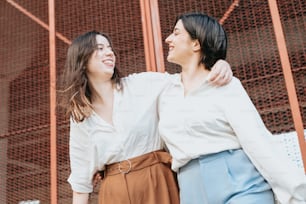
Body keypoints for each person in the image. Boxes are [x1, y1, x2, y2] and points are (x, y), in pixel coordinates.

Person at [58, 30, 233, 204]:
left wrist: (217, 65)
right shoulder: (81, 115)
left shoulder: (141, 85)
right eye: (100, 48)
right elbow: (81, 182)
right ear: (82, 60)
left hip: (157, 181)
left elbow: (186, 80)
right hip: (113, 193)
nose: (109, 52)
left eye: (110, 48)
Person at [158, 12, 306, 204]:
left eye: (176, 33)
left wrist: (297, 194)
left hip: (241, 186)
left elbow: (257, 141)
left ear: (196, 44)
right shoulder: (163, 91)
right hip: (191, 190)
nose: (168, 39)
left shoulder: (225, 85)